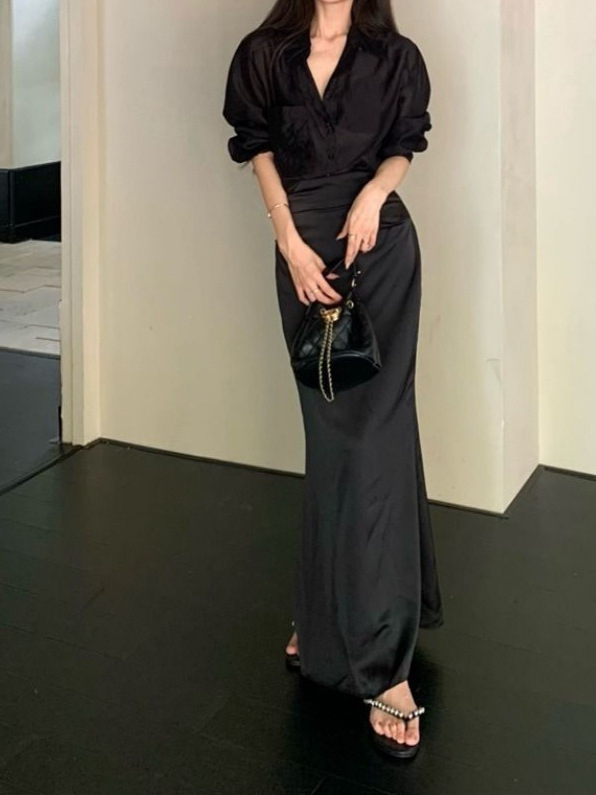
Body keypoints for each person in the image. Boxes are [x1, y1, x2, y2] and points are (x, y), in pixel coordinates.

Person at [222, 0, 443, 760]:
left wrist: (375, 194)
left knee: (375, 441)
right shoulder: (263, 51)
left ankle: (385, 664)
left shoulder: (395, 54)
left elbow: (403, 145)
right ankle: (324, 622)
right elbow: (256, 146)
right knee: (333, 443)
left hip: (379, 250)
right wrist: (286, 237)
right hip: (304, 259)